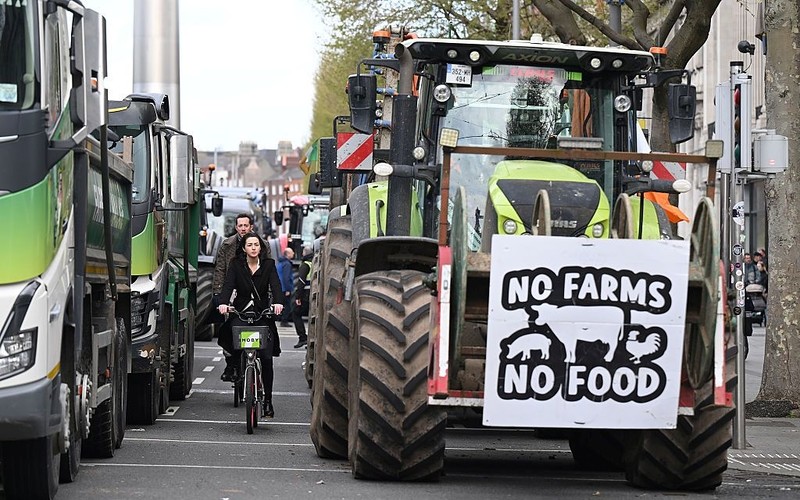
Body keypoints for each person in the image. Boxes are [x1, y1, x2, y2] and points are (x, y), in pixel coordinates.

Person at [217, 232, 284, 418]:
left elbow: (276, 286)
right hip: (242, 311)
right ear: (244, 248)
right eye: (250, 245)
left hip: (262, 313)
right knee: (231, 334)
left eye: (256, 244)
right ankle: (235, 367)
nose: (253, 248)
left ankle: (268, 401)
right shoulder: (236, 265)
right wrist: (223, 304)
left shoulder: (269, 265)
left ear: (260, 248)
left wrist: (278, 303)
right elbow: (228, 286)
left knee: (266, 357)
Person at [213, 213, 273, 381]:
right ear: (236, 227)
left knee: (263, 325)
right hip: (231, 289)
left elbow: (269, 271)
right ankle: (231, 364)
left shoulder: (263, 245)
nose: (243, 228)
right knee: (230, 328)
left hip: (257, 290)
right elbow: (220, 270)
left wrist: (271, 296)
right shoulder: (227, 245)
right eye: (240, 226)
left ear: (251, 227)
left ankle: (260, 358)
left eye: (246, 225)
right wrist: (219, 294)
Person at [291, 245, 313, 348]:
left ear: (304, 253)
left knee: (295, 313)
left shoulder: (305, 265)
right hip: (312, 293)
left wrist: (298, 297)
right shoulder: (314, 263)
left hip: (305, 294)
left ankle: (302, 337)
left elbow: (301, 282)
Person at [276, 247, 294, 327]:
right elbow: (286, 277)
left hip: (279, 287)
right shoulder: (287, 264)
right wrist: (288, 289)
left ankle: (280, 318)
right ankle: (284, 321)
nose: (293, 253)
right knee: (287, 306)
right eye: (292, 252)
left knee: (281, 304)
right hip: (284, 288)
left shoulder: (280, 263)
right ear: (288, 254)